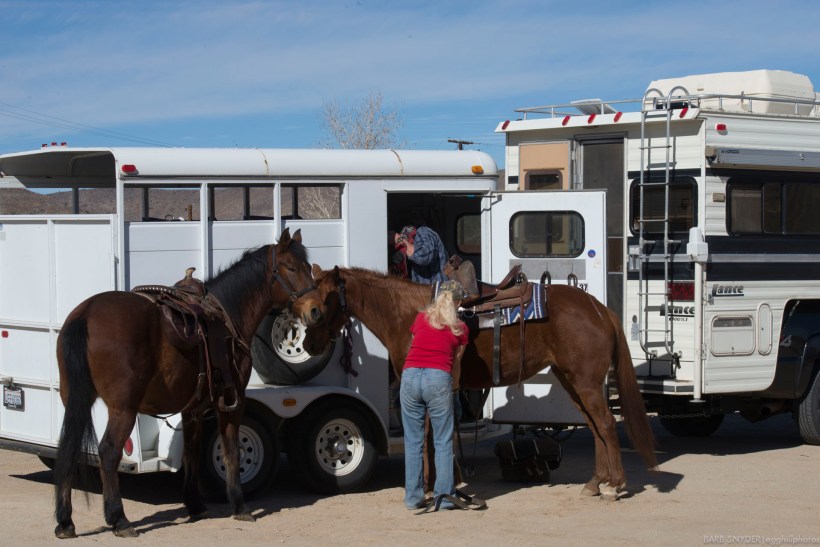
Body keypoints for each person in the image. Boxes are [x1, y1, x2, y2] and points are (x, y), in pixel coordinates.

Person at [400, 280, 469, 511]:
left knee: (413, 441)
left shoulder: (420, 319)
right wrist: (455, 387)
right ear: (457, 303)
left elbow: (414, 345)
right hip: (437, 378)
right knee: (442, 440)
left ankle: (413, 498)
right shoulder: (460, 328)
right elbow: (456, 363)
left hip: (409, 377)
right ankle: (444, 496)